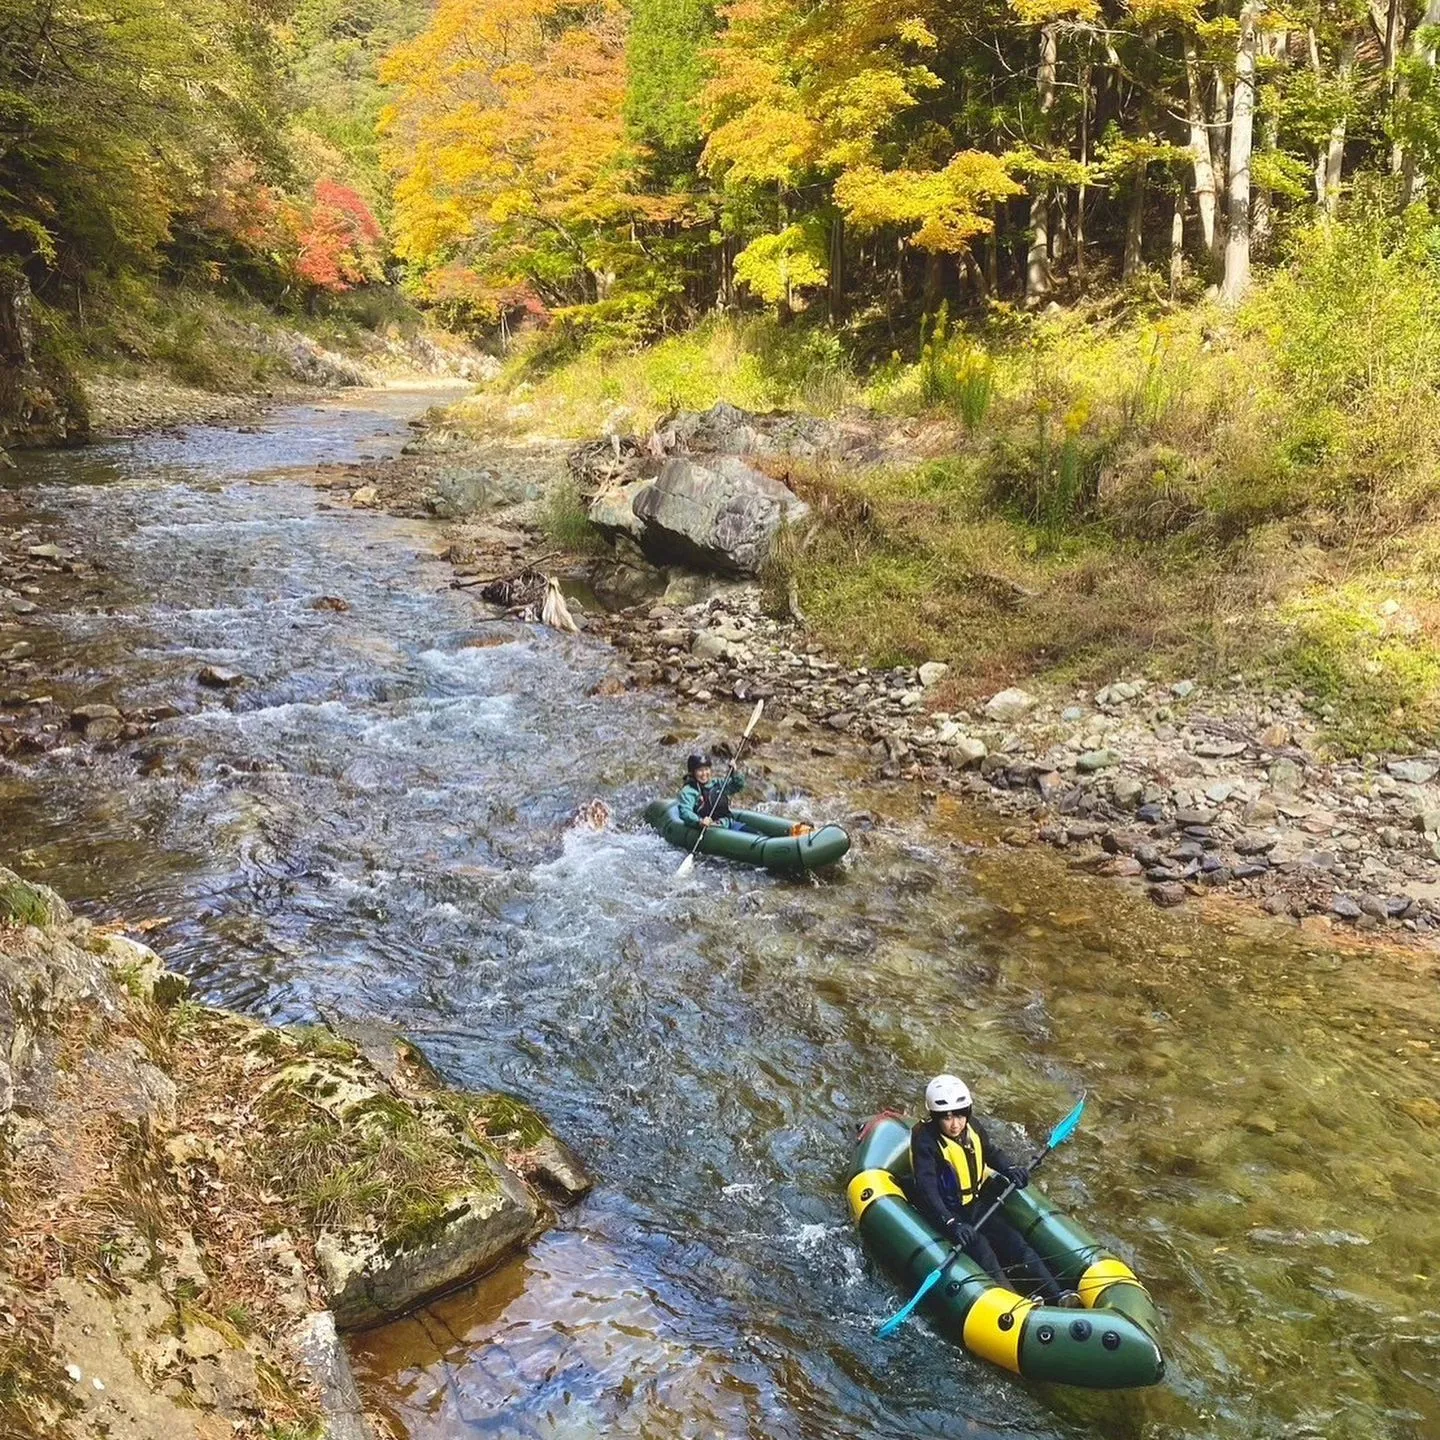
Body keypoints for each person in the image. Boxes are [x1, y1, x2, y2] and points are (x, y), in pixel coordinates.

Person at [909, 1074, 1081, 1307]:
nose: (954, 1124)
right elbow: (928, 1189)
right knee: (982, 1250)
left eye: (959, 1114)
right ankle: (1018, 1305)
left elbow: (990, 1152)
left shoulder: (973, 1128)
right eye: (946, 1117)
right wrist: (951, 1222)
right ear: (935, 1117)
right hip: (945, 1212)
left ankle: (1058, 1295)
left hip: (974, 1203)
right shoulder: (925, 1141)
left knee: (1016, 1243)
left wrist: (1011, 1168)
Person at [678, 753, 746, 830]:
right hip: (708, 829)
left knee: (756, 834)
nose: (704, 774)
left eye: (706, 769)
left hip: (726, 824)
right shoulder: (689, 791)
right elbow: (685, 811)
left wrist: (734, 773)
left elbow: (737, 786)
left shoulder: (716, 783)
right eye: (700, 770)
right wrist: (699, 821)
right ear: (693, 772)